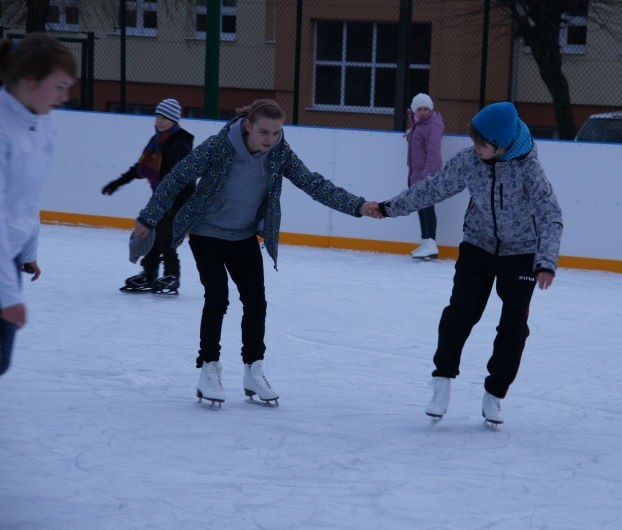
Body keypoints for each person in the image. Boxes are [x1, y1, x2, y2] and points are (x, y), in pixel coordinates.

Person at [133, 98, 381, 406]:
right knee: (217, 298)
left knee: (255, 301)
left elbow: (312, 183)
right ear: (248, 126)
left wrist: (356, 205)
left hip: (243, 235)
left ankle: (254, 368)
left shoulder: (278, 154)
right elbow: (177, 177)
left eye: (276, 133)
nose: (270, 140)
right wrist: (148, 218)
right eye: (264, 132)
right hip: (206, 232)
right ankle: (208, 368)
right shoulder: (218, 146)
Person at [376, 102, 563, 425]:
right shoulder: (469, 161)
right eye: (474, 142)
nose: (475, 149)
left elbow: (551, 216)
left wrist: (545, 262)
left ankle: (495, 393)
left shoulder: (528, 169)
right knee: (460, 313)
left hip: (521, 254)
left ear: (502, 146)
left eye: (482, 144)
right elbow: (432, 188)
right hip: (478, 245)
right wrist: (390, 208)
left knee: (514, 327)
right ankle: (442, 380)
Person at [0, 33, 76, 376]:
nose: (66, 96)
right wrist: (7, 297)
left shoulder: (44, 122)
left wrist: (28, 249)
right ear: (30, 81)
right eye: (59, 86)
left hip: (9, 255)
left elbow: (27, 196)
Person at [102, 98, 194, 295]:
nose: (160, 121)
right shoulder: (157, 141)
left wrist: (173, 201)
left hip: (179, 199)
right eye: (158, 117)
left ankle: (172, 276)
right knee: (152, 235)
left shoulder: (179, 143)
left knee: (165, 237)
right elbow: (141, 167)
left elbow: (183, 176)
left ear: (174, 121)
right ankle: (149, 273)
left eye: (165, 118)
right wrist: (119, 182)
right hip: (160, 199)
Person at [405, 93, 444, 259]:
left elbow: (434, 153)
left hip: (426, 175)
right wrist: (411, 135)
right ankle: (425, 242)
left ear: (431, 109)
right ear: (414, 110)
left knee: (427, 208)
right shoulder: (419, 125)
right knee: (421, 207)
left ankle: (431, 243)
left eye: (425, 109)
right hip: (417, 173)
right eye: (419, 109)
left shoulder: (432, 125)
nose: (422, 112)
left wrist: (426, 176)